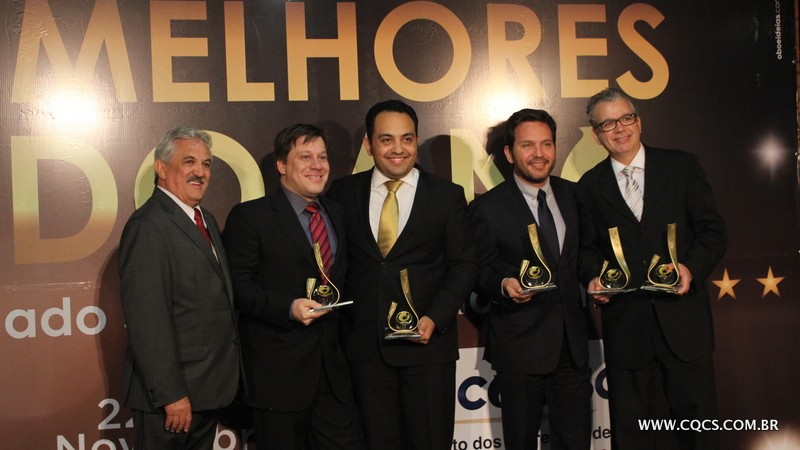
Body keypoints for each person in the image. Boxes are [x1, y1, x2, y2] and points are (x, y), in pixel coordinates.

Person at [578, 88, 727, 449]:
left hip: (684, 324)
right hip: (627, 328)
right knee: (632, 436)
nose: (620, 129)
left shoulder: (682, 167)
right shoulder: (588, 187)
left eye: (626, 118)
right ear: (596, 135)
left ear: (639, 122)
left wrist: (690, 269)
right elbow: (584, 251)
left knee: (700, 433)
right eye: (608, 124)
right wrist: (595, 278)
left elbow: (713, 232)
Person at [327, 100, 477, 450]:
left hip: (427, 350)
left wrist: (434, 317)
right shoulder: (342, 193)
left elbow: (464, 265)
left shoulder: (447, 195)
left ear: (417, 141)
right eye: (387, 139)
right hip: (365, 352)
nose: (398, 149)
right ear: (369, 145)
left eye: (407, 139)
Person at [222, 124, 361, 449]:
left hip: (333, 376)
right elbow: (237, 287)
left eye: (322, 157)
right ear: (282, 165)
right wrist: (288, 307)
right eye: (305, 157)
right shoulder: (251, 217)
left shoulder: (336, 213)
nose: (318, 165)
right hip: (278, 379)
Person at [469, 109, 592, 450]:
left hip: (571, 347)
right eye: (528, 145)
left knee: (576, 442)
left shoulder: (574, 196)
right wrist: (503, 285)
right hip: (519, 347)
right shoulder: (487, 208)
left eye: (546, 144)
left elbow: (585, 254)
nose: (539, 153)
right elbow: (478, 270)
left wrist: (595, 277)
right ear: (509, 153)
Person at [118, 126, 241, 449]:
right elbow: (147, 320)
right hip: (171, 400)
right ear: (161, 168)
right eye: (189, 162)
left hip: (207, 389)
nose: (200, 172)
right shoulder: (148, 225)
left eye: (206, 164)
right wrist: (171, 394)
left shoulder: (205, 219)